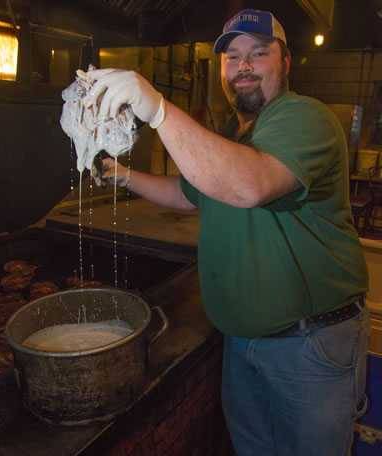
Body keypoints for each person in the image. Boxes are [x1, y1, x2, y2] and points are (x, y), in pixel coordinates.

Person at [83, 8, 369, 456]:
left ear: (286, 63)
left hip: (308, 347)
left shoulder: (303, 117)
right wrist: (122, 176)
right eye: (232, 57)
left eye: (259, 52)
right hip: (243, 341)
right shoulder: (235, 132)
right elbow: (189, 192)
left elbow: (248, 184)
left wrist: (157, 108)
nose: (244, 65)